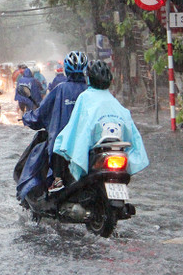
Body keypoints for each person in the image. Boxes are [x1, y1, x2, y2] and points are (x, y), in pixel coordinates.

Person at [52, 60, 149, 191]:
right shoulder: (114, 102)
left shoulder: (84, 98)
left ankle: (58, 181)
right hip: (115, 150)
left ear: (89, 79)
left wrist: (62, 142)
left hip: (96, 152)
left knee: (59, 143)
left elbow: (74, 127)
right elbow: (131, 132)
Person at [20, 51, 88, 195]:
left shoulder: (61, 89)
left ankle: (57, 179)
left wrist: (27, 117)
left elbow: (40, 114)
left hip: (63, 148)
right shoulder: (90, 91)